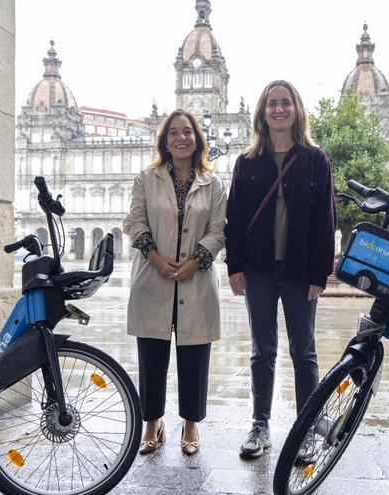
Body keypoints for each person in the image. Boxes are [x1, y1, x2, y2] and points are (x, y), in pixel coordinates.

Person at [224, 80, 336, 458]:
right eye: (272, 103)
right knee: (262, 349)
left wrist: (320, 274)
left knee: (303, 350)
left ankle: (306, 426)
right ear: (262, 113)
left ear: (296, 110)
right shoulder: (247, 162)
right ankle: (260, 424)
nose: (279, 109)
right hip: (257, 270)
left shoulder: (315, 160)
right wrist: (234, 266)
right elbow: (235, 219)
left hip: (299, 270)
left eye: (286, 103)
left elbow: (326, 219)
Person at [123, 109, 226, 456]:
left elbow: (218, 230)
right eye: (173, 133)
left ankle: (191, 424)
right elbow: (134, 222)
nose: (181, 138)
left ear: (198, 139)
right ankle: (152, 423)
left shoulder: (213, 183)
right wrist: (155, 257)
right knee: (151, 355)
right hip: (154, 276)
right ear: (164, 141)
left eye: (188, 132)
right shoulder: (146, 178)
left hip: (196, 280)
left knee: (195, 354)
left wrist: (197, 261)